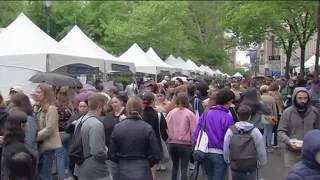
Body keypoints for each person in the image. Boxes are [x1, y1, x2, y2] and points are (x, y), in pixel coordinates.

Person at [108, 96, 162, 180]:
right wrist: (147, 162)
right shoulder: (147, 128)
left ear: (127, 108)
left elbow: (111, 153)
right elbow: (156, 154)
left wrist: (121, 160)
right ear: (141, 108)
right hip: (143, 169)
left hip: (123, 169)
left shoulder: (118, 127)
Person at [194, 88, 235, 180]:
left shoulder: (205, 114)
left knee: (209, 176)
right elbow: (229, 138)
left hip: (204, 151)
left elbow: (197, 133)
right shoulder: (227, 117)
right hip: (220, 153)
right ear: (228, 101)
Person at [278, 87, 320, 174]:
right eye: (300, 98)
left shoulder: (315, 112)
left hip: (311, 155)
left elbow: (318, 131)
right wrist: (289, 141)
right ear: (294, 98)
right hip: (292, 154)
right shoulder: (287, 113)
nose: (303, 101)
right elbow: (281, 132)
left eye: (305, 98)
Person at [223, 105, 267, 180]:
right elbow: (261, 150)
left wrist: (227, 160)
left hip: (235, 165)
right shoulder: (255, 131)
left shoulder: (231, 130)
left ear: (237, 116)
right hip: (250, 166)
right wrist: (261, 162)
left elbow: (226, 147)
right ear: (250, 116)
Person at [74, 93, 110, 180]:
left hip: (81, 167)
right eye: (105, 105)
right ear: (99, 106)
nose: (107, 108)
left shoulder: (80, 120)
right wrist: (106, 152)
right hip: (95, 170)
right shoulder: (96, 124)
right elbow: (97, 152)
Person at [166, 92, 197, 180]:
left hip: (172, 142)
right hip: (185, 144)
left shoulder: (171, 113)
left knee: (175, 166)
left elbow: (166, 127)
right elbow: (193, 131)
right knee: (184, 168)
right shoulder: (190, 114)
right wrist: (193, 143)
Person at [35, 83, 62, 180]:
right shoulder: (38, 108)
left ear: (45, 94)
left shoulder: (51, 109)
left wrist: (35, 137)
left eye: (39, 92)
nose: (36, 94)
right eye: (36, 92)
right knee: (40, 173)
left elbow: (49, 129)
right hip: (40, 145)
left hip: (48, 146)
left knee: (45, 173)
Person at [1, 111, 37, 180]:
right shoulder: (18, 148)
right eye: (26, 122)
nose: (28, 124)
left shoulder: (8, 142)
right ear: (22, 126)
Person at [142, 92, 168, 175]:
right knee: (153, 170)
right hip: (155, 143)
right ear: (153, 101)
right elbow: (164, 130)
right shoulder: (158, 115)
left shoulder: (139, 115)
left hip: (140, 144)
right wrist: (165, 139)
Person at [102, 94, 126, 180]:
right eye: (112, 103)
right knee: (114, 172)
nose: (114, 104)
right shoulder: (108, 115)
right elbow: (104, 129)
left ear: (122, 102)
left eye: (116, 102)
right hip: (111, 148)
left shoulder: (126, 113)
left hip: (125, 148)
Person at [65, 100, 89, 180]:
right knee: (71, 164)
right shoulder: (75, 117)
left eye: (84, 107)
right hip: (75, 144)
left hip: (85, 145)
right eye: (80, 107)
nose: (82, 109)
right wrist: (72, 125)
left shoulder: (90, 117)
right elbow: (66, 128)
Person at [260, 85, 277, 152]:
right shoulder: (272, 98)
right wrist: (275, 117)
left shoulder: (260, 98)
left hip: (262, 116)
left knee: (264, 132)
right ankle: (269, 146)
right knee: (269, 132)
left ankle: (264, 146)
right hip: (270, 116)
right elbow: (274, 109)